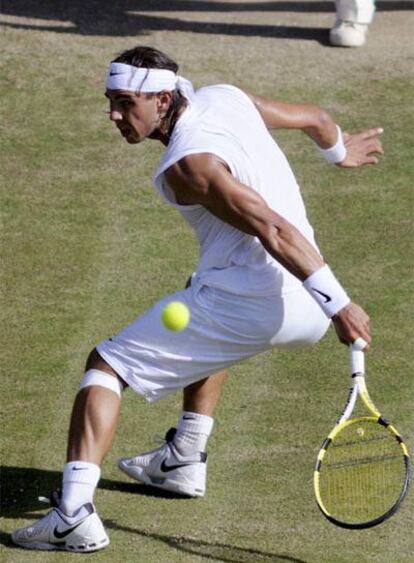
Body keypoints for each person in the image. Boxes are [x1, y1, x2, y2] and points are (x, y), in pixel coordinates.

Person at [11, 45, 383, 553]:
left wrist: (339, 304)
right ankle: (184, 457)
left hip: (274, 298)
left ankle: (73, 515)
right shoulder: (225, 97)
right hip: (294, 305)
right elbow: (316, 118)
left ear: (163, 99)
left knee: (105, 365)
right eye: (110, 101)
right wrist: (340, 151)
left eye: (125, 103)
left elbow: (272, 226)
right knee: (201, 293)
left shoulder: (189, 166)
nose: (114, 115)